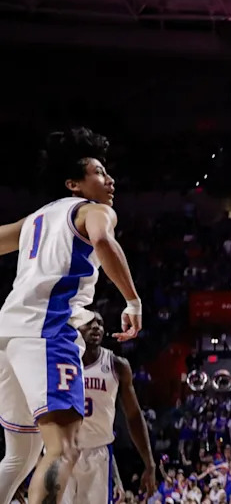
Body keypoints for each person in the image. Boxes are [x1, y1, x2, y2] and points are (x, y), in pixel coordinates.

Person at [0, 128, 143, 504]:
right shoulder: (95, 211)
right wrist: (132, 300)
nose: (109, 179)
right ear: (74, 184)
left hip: (8, 333)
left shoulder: (35, 219)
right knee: (63, 450)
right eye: (98, 172)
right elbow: (102, 240)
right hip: (48, 331)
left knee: (19, 456)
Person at [65, 314, 154, 504]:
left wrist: (149, 463)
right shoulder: (59, 361)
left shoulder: (117, 365)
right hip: (61, 451)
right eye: (89, 322)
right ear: (75, 327)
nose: (96, 326)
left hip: (97, 453)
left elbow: (134, 416)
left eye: (100, 323)